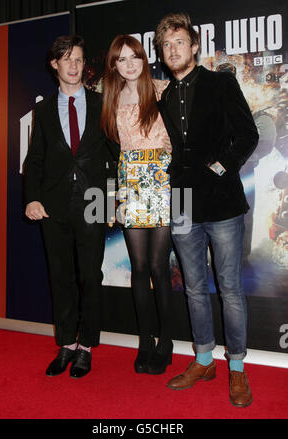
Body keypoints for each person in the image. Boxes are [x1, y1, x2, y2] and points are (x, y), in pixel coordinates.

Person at [154, 13, 259, 406]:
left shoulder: (220, 82)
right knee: (195, 288)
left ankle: (236, 369)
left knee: (229, 289)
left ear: (194, 46)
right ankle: (203, 359)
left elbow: (248, 134)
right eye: (166, 45)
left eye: (179, 42)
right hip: (182, 204)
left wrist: (220, 167)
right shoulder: (164, 97)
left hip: (223, 203)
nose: (173, 50)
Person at [24, 35, 116, 378]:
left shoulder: (101, 102)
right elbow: (35, 159)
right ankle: (66, 344)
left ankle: (86, 347)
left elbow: (114, 155)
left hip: (94, 201)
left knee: (90, 276)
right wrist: (31, 197)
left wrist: (111, 199)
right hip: (53, 204)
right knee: (60, 276)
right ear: (55, 65)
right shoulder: (44, 109)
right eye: (67, 60)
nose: (74, 66)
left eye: (78, 59)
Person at [101, 34, 173, 374]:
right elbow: (111, 153)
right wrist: (113, 196)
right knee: (139, 268)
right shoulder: (112, 99)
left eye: (135, 57)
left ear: (144, 59)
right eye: (122, 59)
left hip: (162, 180)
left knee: (160, 268)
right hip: (129, 181)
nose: (129, 64)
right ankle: (145, 340)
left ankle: (167, 341)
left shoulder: (162, 90)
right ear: (114, 65)